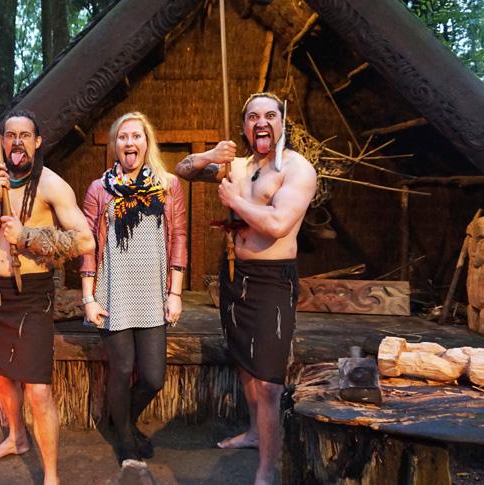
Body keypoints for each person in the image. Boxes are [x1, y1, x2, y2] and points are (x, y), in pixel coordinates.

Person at [175, 92, 317, 484]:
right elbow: (182, 169)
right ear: (245, 127)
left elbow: (276, 224)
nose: (261, 122)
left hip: (273, 281)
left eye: (270, 115)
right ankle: (255, 433)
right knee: (243, 363)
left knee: (270, 382)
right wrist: (209, 157)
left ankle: (268, 470)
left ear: (281, 123)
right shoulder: (235, 166)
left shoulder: (297, 169)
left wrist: (236, 201)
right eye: (253, 116)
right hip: (236, 275)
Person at [0, 110, 94, 485]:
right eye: (10, 135)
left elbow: (86, 241)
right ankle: (17, 438)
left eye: (25, 135)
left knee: (37, 389)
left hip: (33, 295)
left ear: (37, 142)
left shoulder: (52, 185)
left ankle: (51, 476)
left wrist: (29, 236)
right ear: (3, 142)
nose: (17, 142)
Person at [80, 112, 187, 467]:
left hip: (154, 294)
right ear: (115, 144)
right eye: (123, 137)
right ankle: (125, 439)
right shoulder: (100, 189)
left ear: (146, 143)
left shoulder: (168, 185)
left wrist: (175, 293)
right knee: (123, 369)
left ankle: (123, 420)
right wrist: (88, 298)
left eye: (136, 136)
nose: (130, 143)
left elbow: (179, 240)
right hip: (114, 293)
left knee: (154, 377)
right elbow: (87, 246)